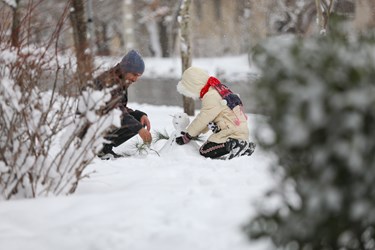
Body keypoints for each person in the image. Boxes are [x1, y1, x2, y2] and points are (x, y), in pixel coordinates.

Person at [175, 66, 255, 160]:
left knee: (204, 150)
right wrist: (195, 133)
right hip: (238, 130)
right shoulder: (219, 89)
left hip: (231, 132)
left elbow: (203, 118)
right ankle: (244, 146)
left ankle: (234, 144)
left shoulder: (211, 96)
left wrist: (188, 135)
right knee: (209, 146)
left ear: (194, 86)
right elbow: (208, 119)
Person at [93, 50, 152, 159]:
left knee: (138, 119)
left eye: (138, 76)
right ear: (125, 69)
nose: (135, 79)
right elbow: (116, 110)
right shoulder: (109, 81)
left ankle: (105, 147)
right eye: (134, 74)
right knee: (133, 123)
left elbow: (121, 107)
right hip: (91, 126)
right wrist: (138, 128)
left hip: (102, 120)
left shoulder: (120, 79)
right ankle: (100, 148)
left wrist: (139, 115)